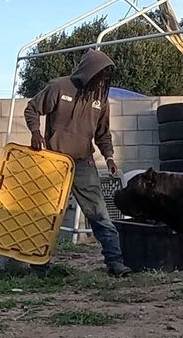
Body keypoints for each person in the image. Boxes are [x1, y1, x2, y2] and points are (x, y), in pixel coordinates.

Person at [24, 48, 130, 277]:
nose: (102, 82)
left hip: (83, 163)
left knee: (100, 214)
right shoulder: (59, 87)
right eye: (99, 76)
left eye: (106, 78)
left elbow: (103, 134)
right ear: (89, 72)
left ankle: (115, 263)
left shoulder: (101, 100)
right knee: (47, 215)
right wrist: (35, 132)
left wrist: (109, 157)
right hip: (54, 162)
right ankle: (39, 266)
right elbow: (32, 108)